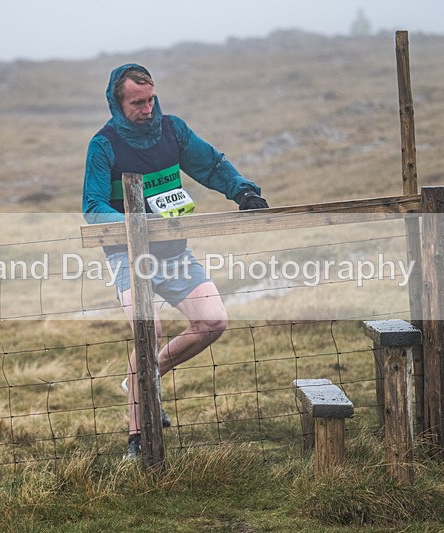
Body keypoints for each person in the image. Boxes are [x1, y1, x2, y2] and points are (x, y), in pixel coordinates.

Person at [82, 63, 268, 459]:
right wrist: (138, 223)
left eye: (151, 99)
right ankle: (138, 438)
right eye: (137, 103)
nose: (148, 109)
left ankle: (142, 381)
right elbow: (93, 207)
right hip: (128, 254)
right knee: (150, 329)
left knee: (213, 321)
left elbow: (211, 165)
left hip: (174, 252)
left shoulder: (173, 130)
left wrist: (244, 192)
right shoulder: (104, 145)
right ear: (117, 103)